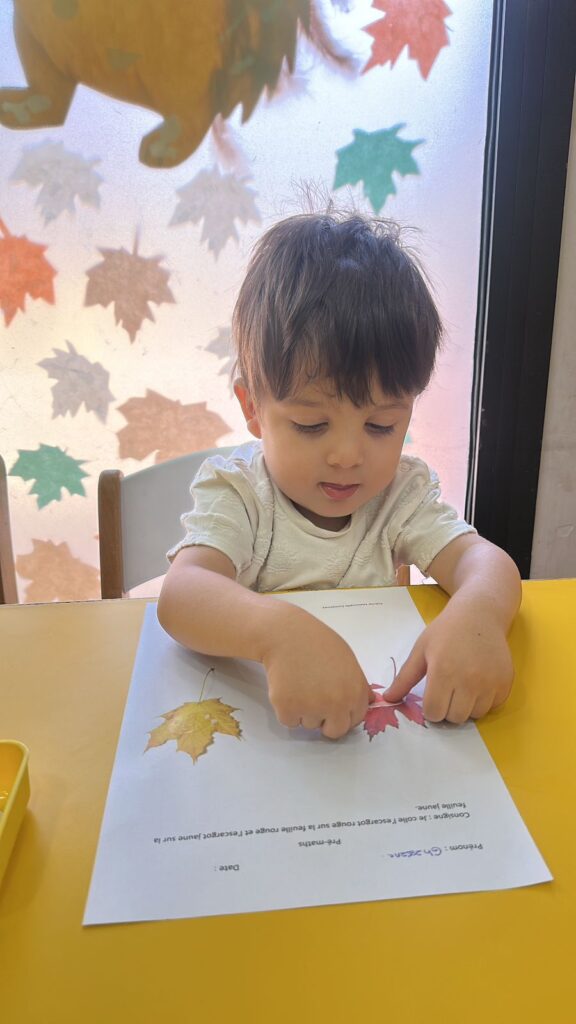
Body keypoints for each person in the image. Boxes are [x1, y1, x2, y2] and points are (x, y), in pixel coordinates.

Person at [158, 212, 521, 740]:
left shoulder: (399, 496)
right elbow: (182, 595)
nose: (348, 456)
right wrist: (275, 633)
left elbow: (484, 561)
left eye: (381, 425)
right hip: (265, 732)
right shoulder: (241, 493)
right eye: (311, 425)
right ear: (253, 408)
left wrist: (479, 613)